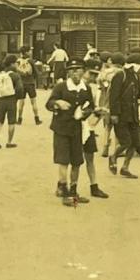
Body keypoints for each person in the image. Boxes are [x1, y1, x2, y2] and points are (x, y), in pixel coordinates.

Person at [46, 59, 96, 205]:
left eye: (78, 69)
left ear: (83, 72)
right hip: (61, 128)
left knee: (76, 160)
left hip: (76, 129)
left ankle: (73, 191)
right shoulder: (61, 87)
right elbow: (49, 103)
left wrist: (84, 113)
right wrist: (57, 103)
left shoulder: (86, 88)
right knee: (63, 160)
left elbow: (90, 106)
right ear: (68, 72)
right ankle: (63, 190)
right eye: (72, 70)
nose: (75, 73)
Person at [108, 52, 140, 178]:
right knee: (125, 142)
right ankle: (113, 157)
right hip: (121, 114)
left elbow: (139, 94)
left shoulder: (136, 76)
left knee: (135, 142)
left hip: (133, 114)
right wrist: (114, 113)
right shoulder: (120, 75)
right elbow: (114, 96)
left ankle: (125, 167)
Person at [80, 57, 109, 199]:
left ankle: (94, 186)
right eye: (90, 73)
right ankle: (65, 186)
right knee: (72, 160)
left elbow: (89, 109)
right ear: (83, 71)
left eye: (95, 74)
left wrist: (98, 111)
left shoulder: (90, 88)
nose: (92, 77)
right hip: (75, 126)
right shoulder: (74, 86)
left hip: (87, 127)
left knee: (90, 157)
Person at [0, 54, 24, 149]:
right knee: (11, 122)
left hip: (0, 99)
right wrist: (17, 97)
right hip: (11, 100)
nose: (17, 65)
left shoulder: (0, 75)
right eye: (16, 63)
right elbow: (20, 88)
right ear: (12, 64)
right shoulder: (15, 75)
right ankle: (9, 142)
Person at [15, 45, 43, 125]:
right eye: (29, 50)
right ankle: (37, 119)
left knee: (21, 102)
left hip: (21, 83)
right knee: (33, 102)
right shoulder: (30, 61)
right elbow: (36, 72)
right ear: (26, 52)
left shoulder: (18, 61)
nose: (30, 52)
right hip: (30, 83)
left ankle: (19, 119)